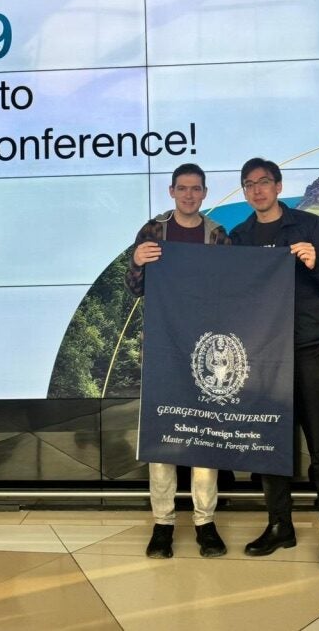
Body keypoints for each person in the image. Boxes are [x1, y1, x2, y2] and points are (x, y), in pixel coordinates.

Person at [230, 157, 319, 569]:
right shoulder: (239, 237)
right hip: (262, 358)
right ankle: (280, 526)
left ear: (279, 186)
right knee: (269, 449)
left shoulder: (309, 226)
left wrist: (315, 262)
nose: (257, 190)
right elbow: (231, 297)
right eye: (249, 184)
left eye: (264, 182)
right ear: (244, 191)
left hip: (306, 351)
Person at [126, 162, 230, 559]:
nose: (188, 195)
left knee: (204, 435)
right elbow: (135, 289)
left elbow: (231, 290)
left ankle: (205, 522)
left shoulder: (217, 235)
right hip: (163, 348)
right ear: (171, 191)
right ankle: (163, 524)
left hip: (206, 348)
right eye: (182, 188)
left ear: (204, 193)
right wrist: (137, 261)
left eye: (196, 189)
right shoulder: (153, 231)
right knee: (162, 437)